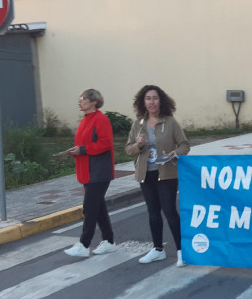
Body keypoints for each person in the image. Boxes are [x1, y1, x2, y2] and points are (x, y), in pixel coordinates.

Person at [125, 85, 190, 266]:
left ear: (161, 101)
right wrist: (138, 145)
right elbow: (128, 150)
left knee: (169, 211)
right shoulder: (138, 124)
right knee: (153, 212)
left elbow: (185, 145)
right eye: (148, 98)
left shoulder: (170, 122)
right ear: (142, 102)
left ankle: (181, 250)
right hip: (146, 174)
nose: (151, 102)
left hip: (167, 173)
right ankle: (157, 249)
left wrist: (175, 153)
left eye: (155, 98)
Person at [62, 89, 117, 258]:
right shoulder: (86, 120)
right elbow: (84, 144)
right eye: (80, 99)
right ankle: (109, 241)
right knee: (99, 208)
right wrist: (75, 151)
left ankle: (84, 244)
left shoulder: (101, 119)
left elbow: (105, 144)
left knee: (90, 208)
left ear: (94, 102)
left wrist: (82, 150)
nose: (80, 102)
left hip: (99, 171)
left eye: (83, 99)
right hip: (87, 170)